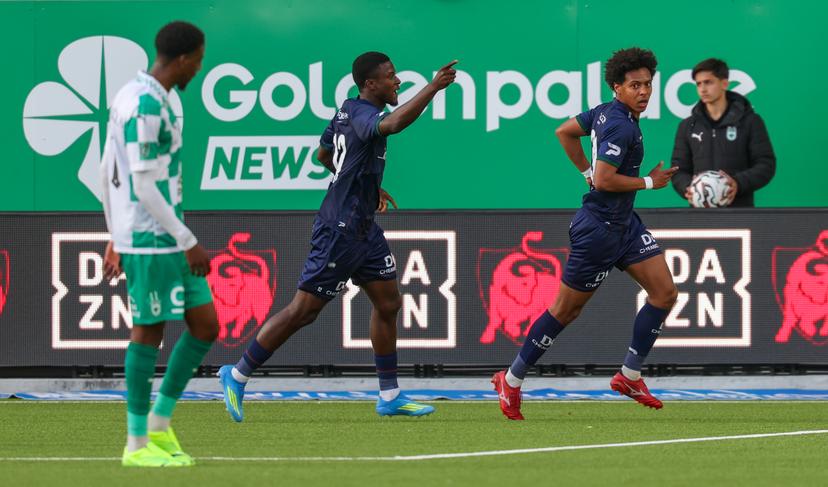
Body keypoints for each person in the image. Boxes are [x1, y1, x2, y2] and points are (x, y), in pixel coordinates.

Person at [219, 52, 457, 421]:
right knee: (303, 312)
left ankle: (390, 395)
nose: (397, 81)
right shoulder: (363, 114)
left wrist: (363, 183)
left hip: (363, 228)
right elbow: (392, 125)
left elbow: (323, 154)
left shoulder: (347, 108)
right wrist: (433, 87)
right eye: (391, 76)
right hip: (340, 230)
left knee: (389, 303)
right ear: (370, 84)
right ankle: (236, 375)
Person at [492, 47, 679, 420]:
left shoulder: (608, 112)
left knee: (664, 293)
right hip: (598, 230)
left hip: (624, 225)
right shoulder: (619, 124)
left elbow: (564, 131)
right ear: (617, 87)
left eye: (648, 84)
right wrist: (648, 182)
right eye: (635, 85)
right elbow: (607, 180)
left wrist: (585, 172)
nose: (644, 91)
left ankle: (629, 375)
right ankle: (510, 379)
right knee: (566, 310)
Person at [100, 21, 218, 466]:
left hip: (161, 232)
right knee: (148, 330)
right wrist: (187, 241)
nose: (199, 70)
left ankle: (159, 424)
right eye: (201, 60)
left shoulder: (143, 96)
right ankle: (135, 446)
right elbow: (143, 183)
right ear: (186, 58)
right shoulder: (144, 104)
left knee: (206, 325)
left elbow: (105, 167)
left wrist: (114, 233)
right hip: (153, 239)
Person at [671, 58, 776, 207]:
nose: (702, 89)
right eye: (698, 84)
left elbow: (766, 165)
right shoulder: (687, 126)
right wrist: (688, 187)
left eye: (708, 82)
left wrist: (738, 183)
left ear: (724, 83)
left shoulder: (750, 121)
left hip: (740, 212)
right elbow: (678, 170)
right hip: (700, 215)